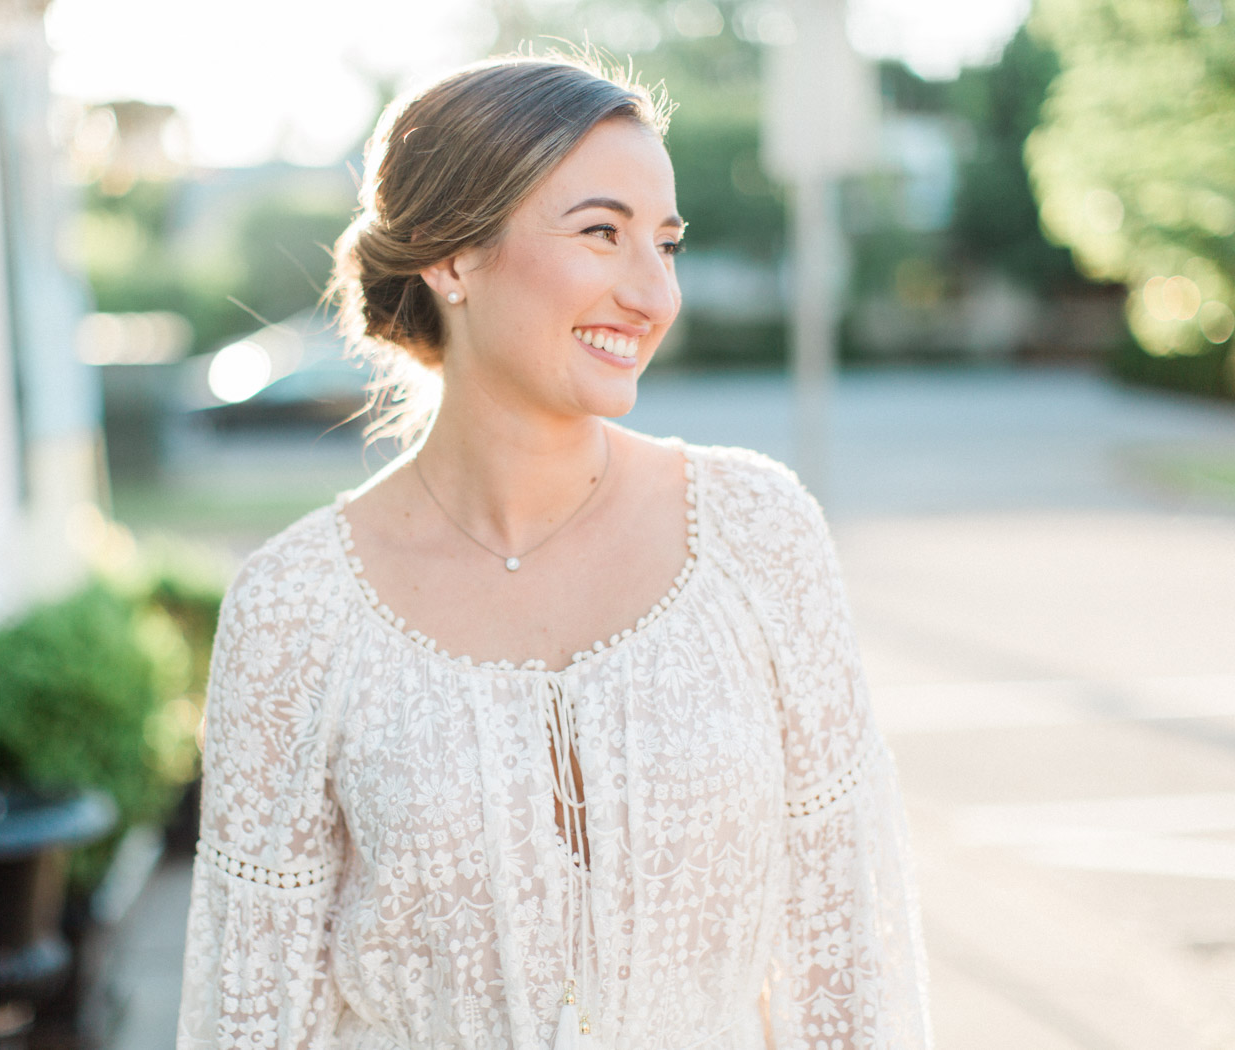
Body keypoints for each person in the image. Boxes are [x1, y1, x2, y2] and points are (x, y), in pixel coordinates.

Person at [177, 53, 931, 1050]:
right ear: (451, 258)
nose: (651, 294)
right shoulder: (294, 609)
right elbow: (254, 1010)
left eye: (664, 245)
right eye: (600, 234)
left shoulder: (757, 532)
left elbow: (845, 965)